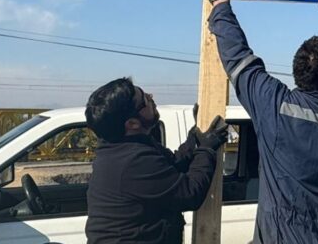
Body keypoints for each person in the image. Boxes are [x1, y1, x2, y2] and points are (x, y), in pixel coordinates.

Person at [195, 0, 318, 244]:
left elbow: (237, 56)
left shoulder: (275, 106)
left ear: (298, 72)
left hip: (281, 234)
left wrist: (219, 0)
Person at [85, 78, 229, 244]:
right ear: (132, 123)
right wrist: (207, 149)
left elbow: (172, 163)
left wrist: (195, 136)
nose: (151, 97)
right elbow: (190, 194)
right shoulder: (133, 161)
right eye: (145, 100)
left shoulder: (124, 147)